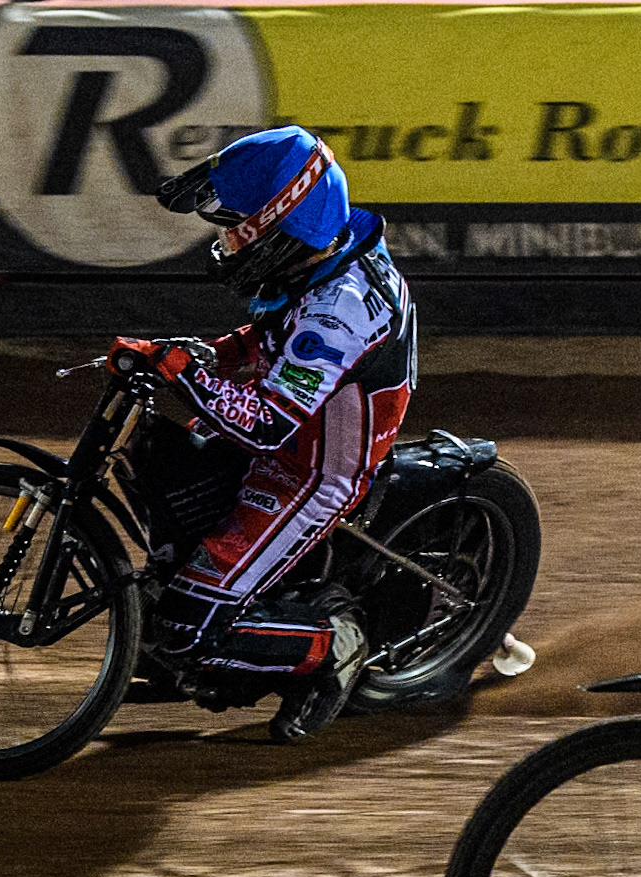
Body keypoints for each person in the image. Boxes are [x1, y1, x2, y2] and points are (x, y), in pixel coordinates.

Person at [108, 125, 417, 741]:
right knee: (159, 463)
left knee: (183, 633)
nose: (226, 240)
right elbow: (273, 335)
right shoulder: (322, 255)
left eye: (237, 225)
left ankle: (334, 650)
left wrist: (187, 375)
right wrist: (208, 357)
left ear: (281, 225)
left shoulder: (341, 307)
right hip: (290, 433)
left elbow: (271, 424)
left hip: (311, 472)